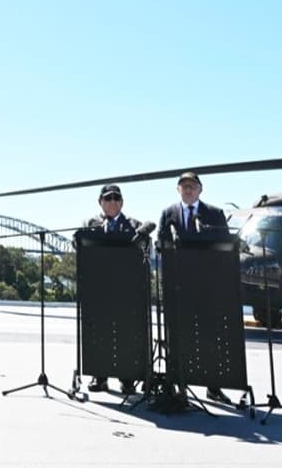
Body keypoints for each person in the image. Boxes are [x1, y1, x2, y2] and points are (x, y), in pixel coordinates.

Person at [156, 171, 232, 404]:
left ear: (200, 190)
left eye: (192, 186)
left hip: (207, 287)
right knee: (179, 337)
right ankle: (179, 385)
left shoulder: (215, 214)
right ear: (178, 189)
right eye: (184, 186)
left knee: (210, 336)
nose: (188, 190)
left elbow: (224, 248)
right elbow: (160, 245)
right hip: (178, 286)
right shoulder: (168, 213)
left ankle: (213, 386)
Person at [84, 184, 142, 395]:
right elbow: (80, 247)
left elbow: (143, 250)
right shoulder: (90, 224)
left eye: (117, 198)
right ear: (100, 202)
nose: (112, 202)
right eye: (108, 198)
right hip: (99, 290)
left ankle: (127, 379)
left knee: (126, 334)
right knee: (100, 334)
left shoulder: (135, 225)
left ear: (122, 202)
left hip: (125, 290)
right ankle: (100, 377)